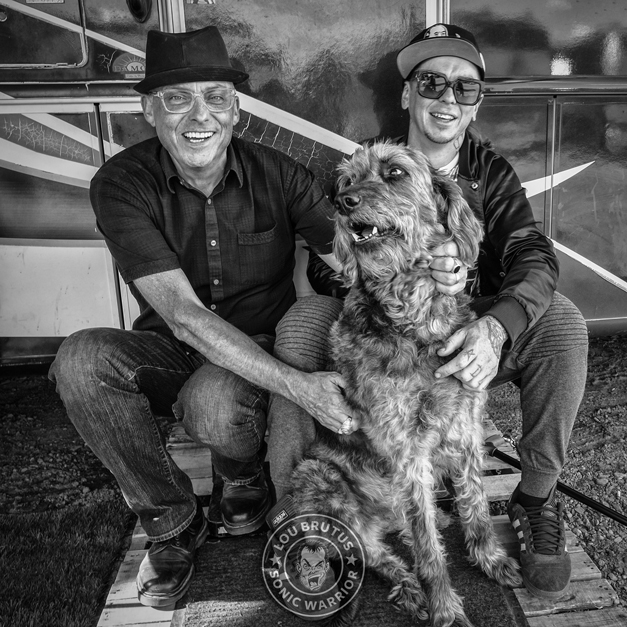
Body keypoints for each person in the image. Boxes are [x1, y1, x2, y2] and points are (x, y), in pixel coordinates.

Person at [272, 24, 589, 601]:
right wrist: (383, 265)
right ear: (407, 94)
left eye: (464, 87)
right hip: (380, 327)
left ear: (477, 102)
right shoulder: (367, 165)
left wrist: (495, 324)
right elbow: (326, 265)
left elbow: (533, 255)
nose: (447, 98)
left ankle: (536, 497)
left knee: (563, 321)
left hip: (463, 331)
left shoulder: (490, 172)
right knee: (299, 325)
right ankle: (302, 506)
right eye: (431, 82)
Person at [48, 25, 358, 608]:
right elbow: (183, 316)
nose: (200, 115)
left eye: (215, 97)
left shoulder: (281, 173)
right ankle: (170, 520)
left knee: (214, 403)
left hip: (258, 345)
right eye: (177, 98)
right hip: (171, 345)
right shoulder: (120, 183)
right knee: (81, 360)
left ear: (235, 110)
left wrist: (433, 280)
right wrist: (300, 388)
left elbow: (352, 262)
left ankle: (241, 475)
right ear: (148, 110)